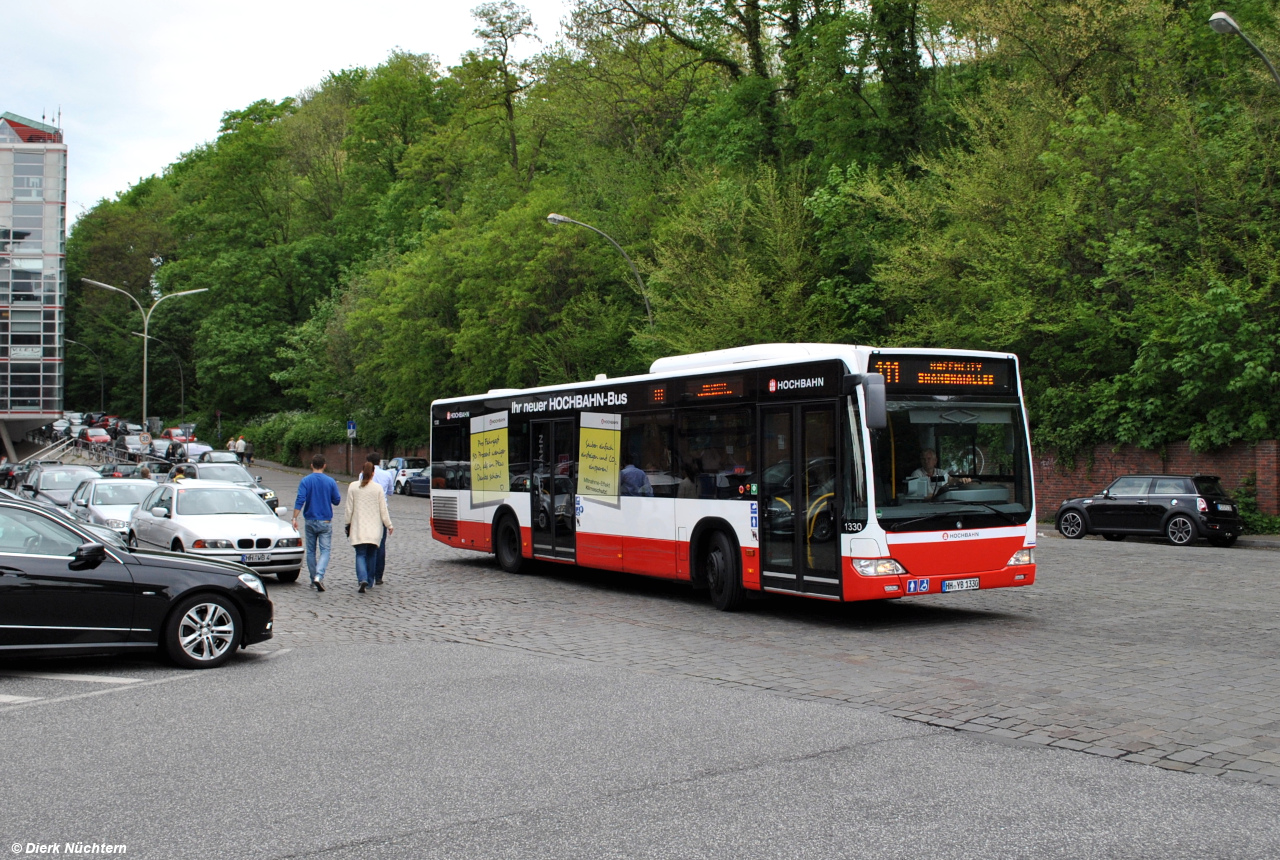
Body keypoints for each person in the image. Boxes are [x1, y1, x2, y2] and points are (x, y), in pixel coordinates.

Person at [292, 453, 343, 592]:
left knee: (311, 551)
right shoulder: (330, 481)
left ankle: (313, 577)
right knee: (325, 550)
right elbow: (337, 500)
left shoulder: (306, 481)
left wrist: (294, 518)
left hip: (310, 519)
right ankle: (319, 576)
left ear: (311, 465)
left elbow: (300, 499)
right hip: (325, 520)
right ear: (324, 466)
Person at [344, 458, 393, 593]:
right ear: (373, 473)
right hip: (375, 528)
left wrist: (347, 523)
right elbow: (383, 509)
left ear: (361, 472)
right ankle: (370, 581)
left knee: (360, 554)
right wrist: (389, 525)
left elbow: (349, 508)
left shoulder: (353, 486)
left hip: (359, 527)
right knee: (372, 554)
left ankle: (362, 579)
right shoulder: (378, 488)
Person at [368, 453, 395, 585]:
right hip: (382, 511)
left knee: (369, 543)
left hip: (368, 511)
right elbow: (390, 492)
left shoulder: (363, 475)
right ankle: (378, 576)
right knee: (381, 544)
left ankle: (369, 574)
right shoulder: (387, 475)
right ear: (379, 462)